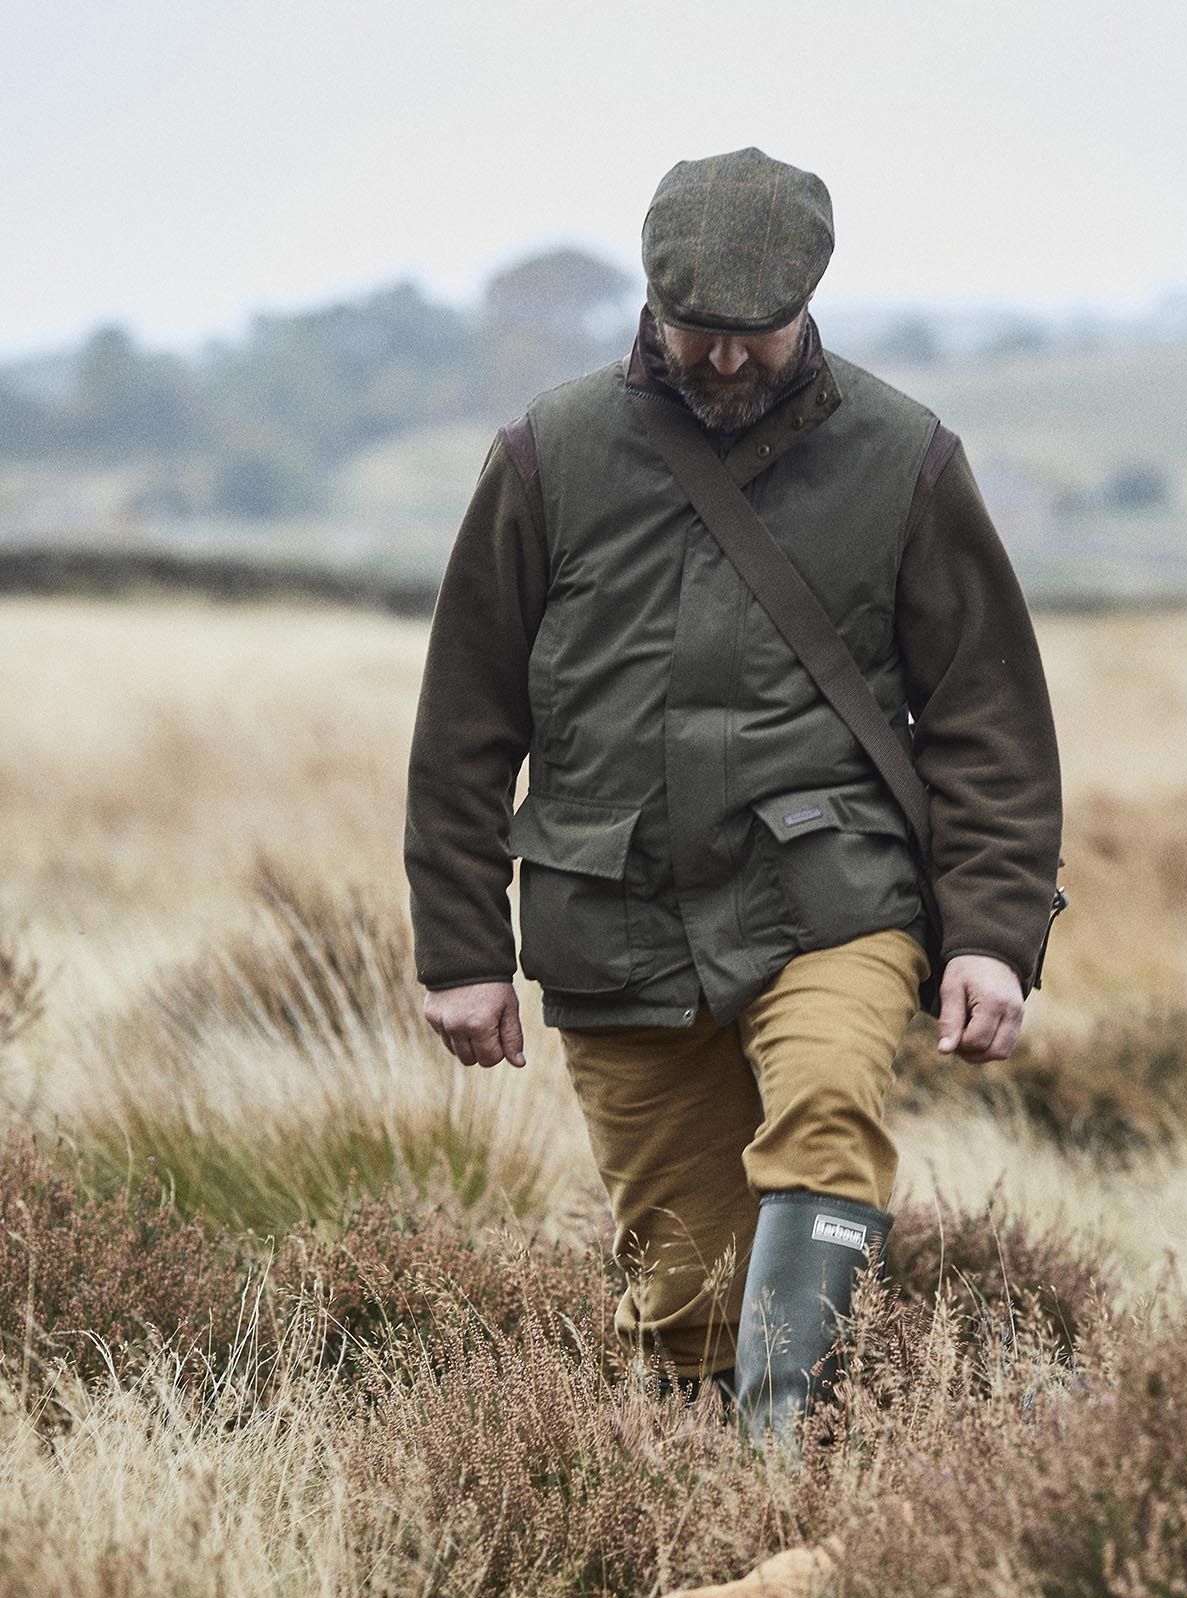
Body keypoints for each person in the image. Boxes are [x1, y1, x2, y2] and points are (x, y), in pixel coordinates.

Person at [404, 146, 1063, 1438]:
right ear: (652, 307)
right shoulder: (549, 455)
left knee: (826, 1109)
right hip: (613, 912)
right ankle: (719, 1507)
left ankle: (789, 1467)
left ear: (808, 306)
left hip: (832, 892)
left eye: (752, 339)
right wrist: (462, 950)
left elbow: (991, 719)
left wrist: (991, 935)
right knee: (684, 1279)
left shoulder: (907, 458)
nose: (722, 364)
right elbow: (466, 719)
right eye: (698, 333)